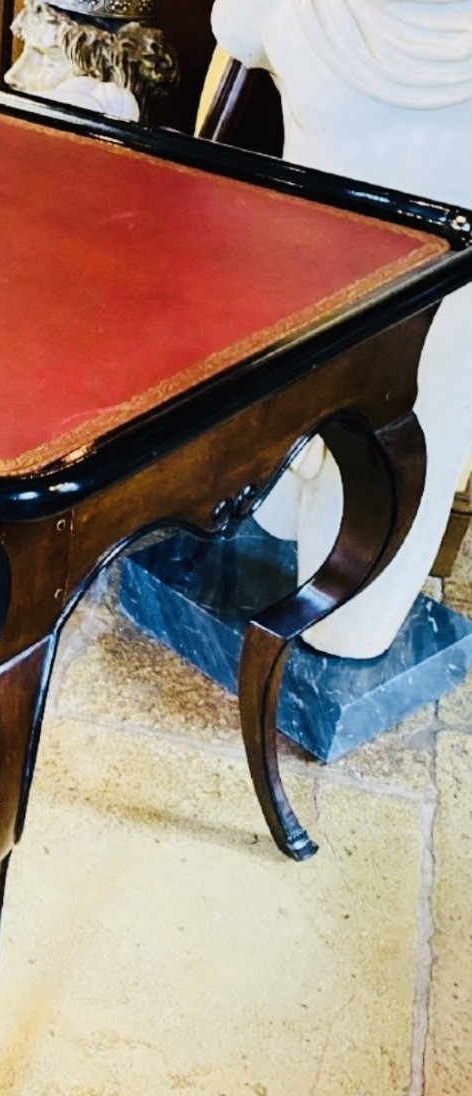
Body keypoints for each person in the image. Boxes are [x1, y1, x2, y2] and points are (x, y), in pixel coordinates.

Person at [211, 0, 472, 657]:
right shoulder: (279, 7)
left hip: (433, 328)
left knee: (360, 576)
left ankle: (349, 614)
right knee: (277, 478)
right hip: (302, 301)